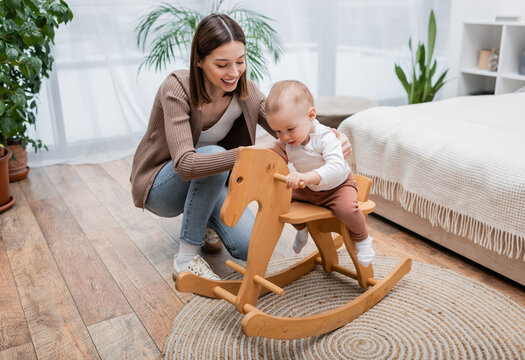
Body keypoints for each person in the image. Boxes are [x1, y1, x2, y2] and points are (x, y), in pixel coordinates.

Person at [130, 14, 352, 280]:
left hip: (212, 183)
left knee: (249, 246)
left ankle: (205, 221)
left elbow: (294, 124)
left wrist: (331, 138)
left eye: (240, 61)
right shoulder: (177, 88)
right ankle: (186, 259)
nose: (234, 72)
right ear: (199, 61)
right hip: (161, 187)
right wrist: (251, 154)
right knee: (213, 154)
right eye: (222, 64)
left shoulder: (245, 92)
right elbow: (186, 166)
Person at [265, 80, 375, 267]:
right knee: (280, 198)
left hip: (337, 187)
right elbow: (270, 157)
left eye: (290, 129)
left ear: (311, 115)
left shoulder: (325, 137)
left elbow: (336, 168)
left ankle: (363, 239)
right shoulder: (286, 142)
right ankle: (302, 229)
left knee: (347, 209)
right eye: (277, 131)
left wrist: (304, 177)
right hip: (308, 188)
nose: (284, 137)